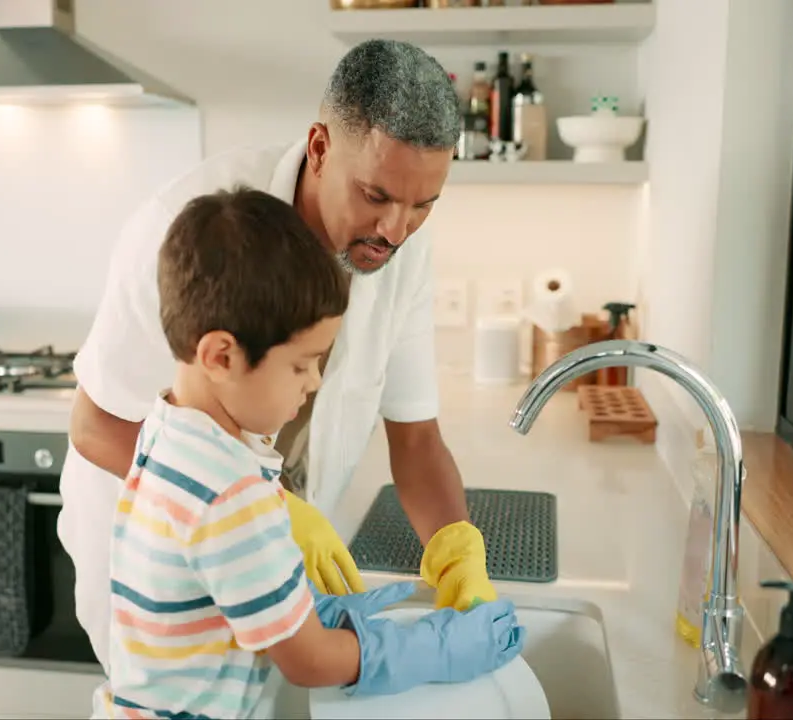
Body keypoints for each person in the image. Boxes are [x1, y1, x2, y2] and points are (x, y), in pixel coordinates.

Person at [62, 38, 499, 669]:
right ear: (320, 148)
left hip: (271, 561)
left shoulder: (401, 248)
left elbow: (417, 439)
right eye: (376, 196)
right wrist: (257, 507)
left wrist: (458, 547)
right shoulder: (183, 228)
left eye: (424, 204)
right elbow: (95, 426)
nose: (396, 231)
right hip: (163, 588)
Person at [96, 186, 523, 719]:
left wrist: (311, 607)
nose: (314, 382)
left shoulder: (168, 430)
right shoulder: (233, 495)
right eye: (301, 364)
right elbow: (309, 662)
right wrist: (438, 648)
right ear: (221, 355)